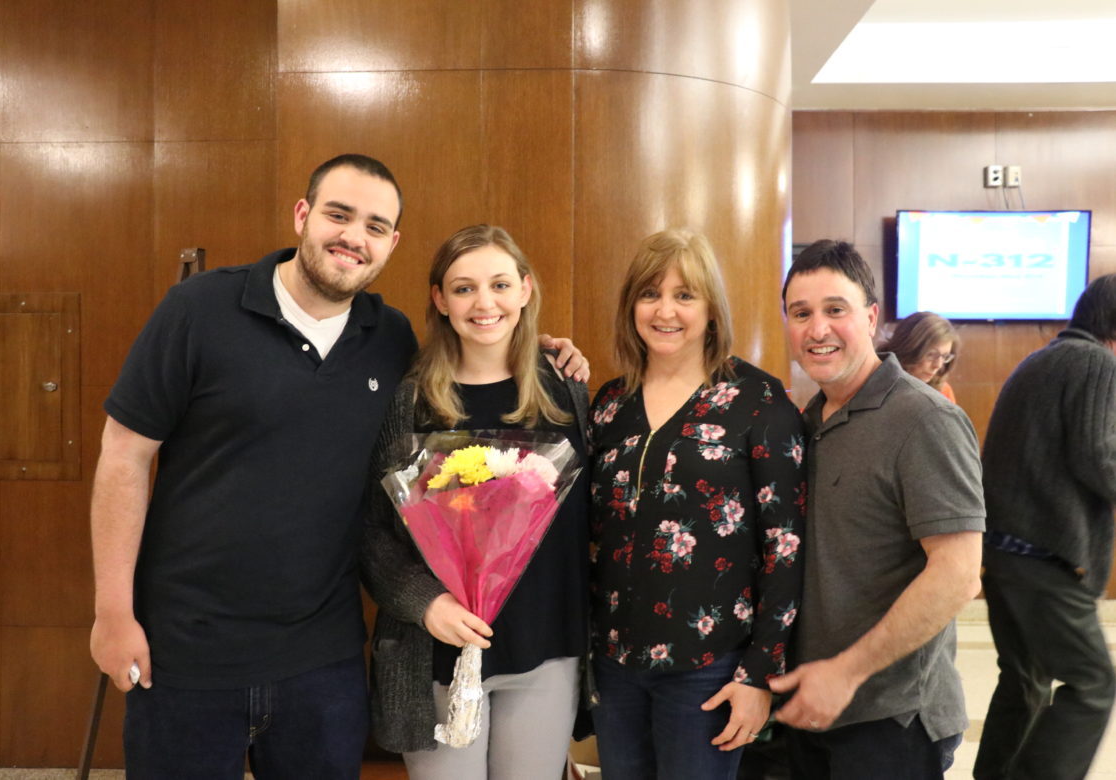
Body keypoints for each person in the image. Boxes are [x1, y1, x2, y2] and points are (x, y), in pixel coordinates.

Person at [88, 155, 587, 778]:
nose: (354, 236)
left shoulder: (388, 338)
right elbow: (124, 455)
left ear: (391, 244)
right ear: (303, 215)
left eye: (375, 225)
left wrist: (539, 345)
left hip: (322, 661)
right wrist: (113, 613)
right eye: (338, 214)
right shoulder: (199, 309)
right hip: (188, 649)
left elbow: (469, 358)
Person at [361, 225, 591, 779]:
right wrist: (426, 605)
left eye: (499, 285)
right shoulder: (410, 400)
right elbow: (372, 533)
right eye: (463, 289)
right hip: (437, 653)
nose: (484, 303)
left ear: (525, 290)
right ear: (440, 299)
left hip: (546, 648)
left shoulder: (566, 391)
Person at [586, 228, 806, 779]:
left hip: (710, 671)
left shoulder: (758, 400)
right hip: (614, 667)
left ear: (711, 309)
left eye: (685, 295)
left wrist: (759, 675)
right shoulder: (610, 405)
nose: (666, 310)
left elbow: (786, 545)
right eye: (650, 293)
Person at [769, 239, 985, 778]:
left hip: (892, 722)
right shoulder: (807, 423)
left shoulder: (924, 419)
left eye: (835, 310)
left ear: (870, 317)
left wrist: (845, 673)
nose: (817, 329)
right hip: (810, 711)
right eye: (802, 313)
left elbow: (959, 575)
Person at [973, 274, 1116, 780]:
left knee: (1025, 680)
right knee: (1094, 684)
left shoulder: (1040, 360)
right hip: (1046, 557)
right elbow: (1098, 454)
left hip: (1004, 555)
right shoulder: (1097, 361)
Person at [879, 311, 960, 402]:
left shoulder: (943, 391)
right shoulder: (874, 384)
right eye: (931, 355)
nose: (938, 365)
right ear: (907, 349)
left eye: (945, 356)